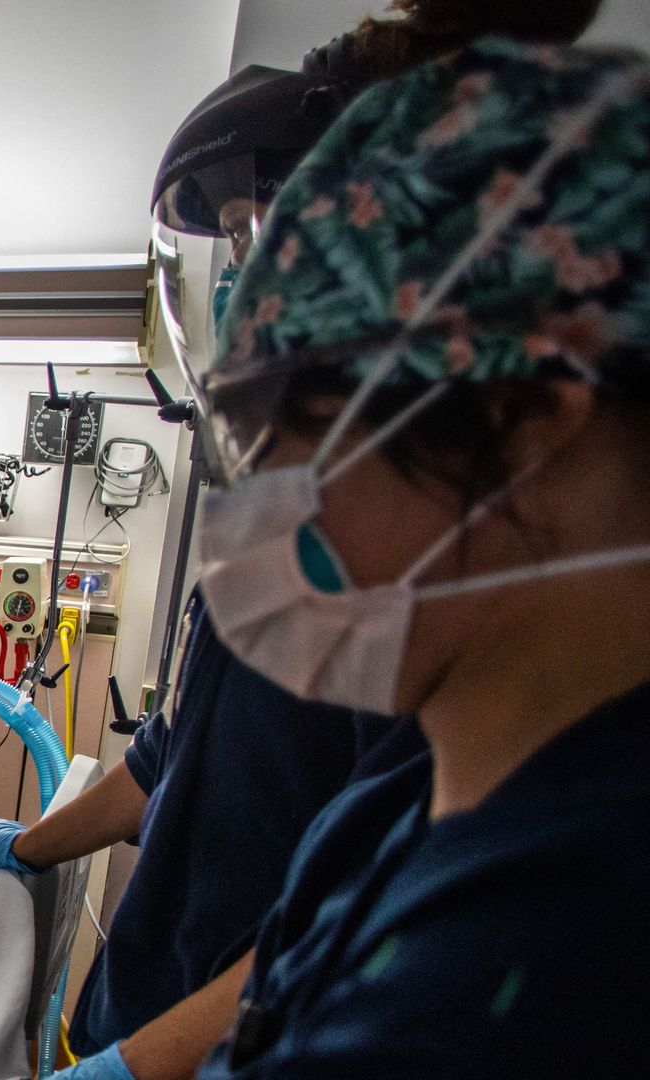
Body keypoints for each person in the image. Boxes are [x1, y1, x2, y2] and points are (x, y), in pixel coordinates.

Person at [0, 4, 603, 1078]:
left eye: (277, 235)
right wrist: (15, 849)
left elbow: (353, 951)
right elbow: (178, 763)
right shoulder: (301, 574)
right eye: (237, 243)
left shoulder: (542, 862)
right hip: (152, 997)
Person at [188, 40, 650, 1076]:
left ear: (519, 422)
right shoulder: (413, 805)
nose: (258, 523)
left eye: (292, 451)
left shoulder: (548, 969)